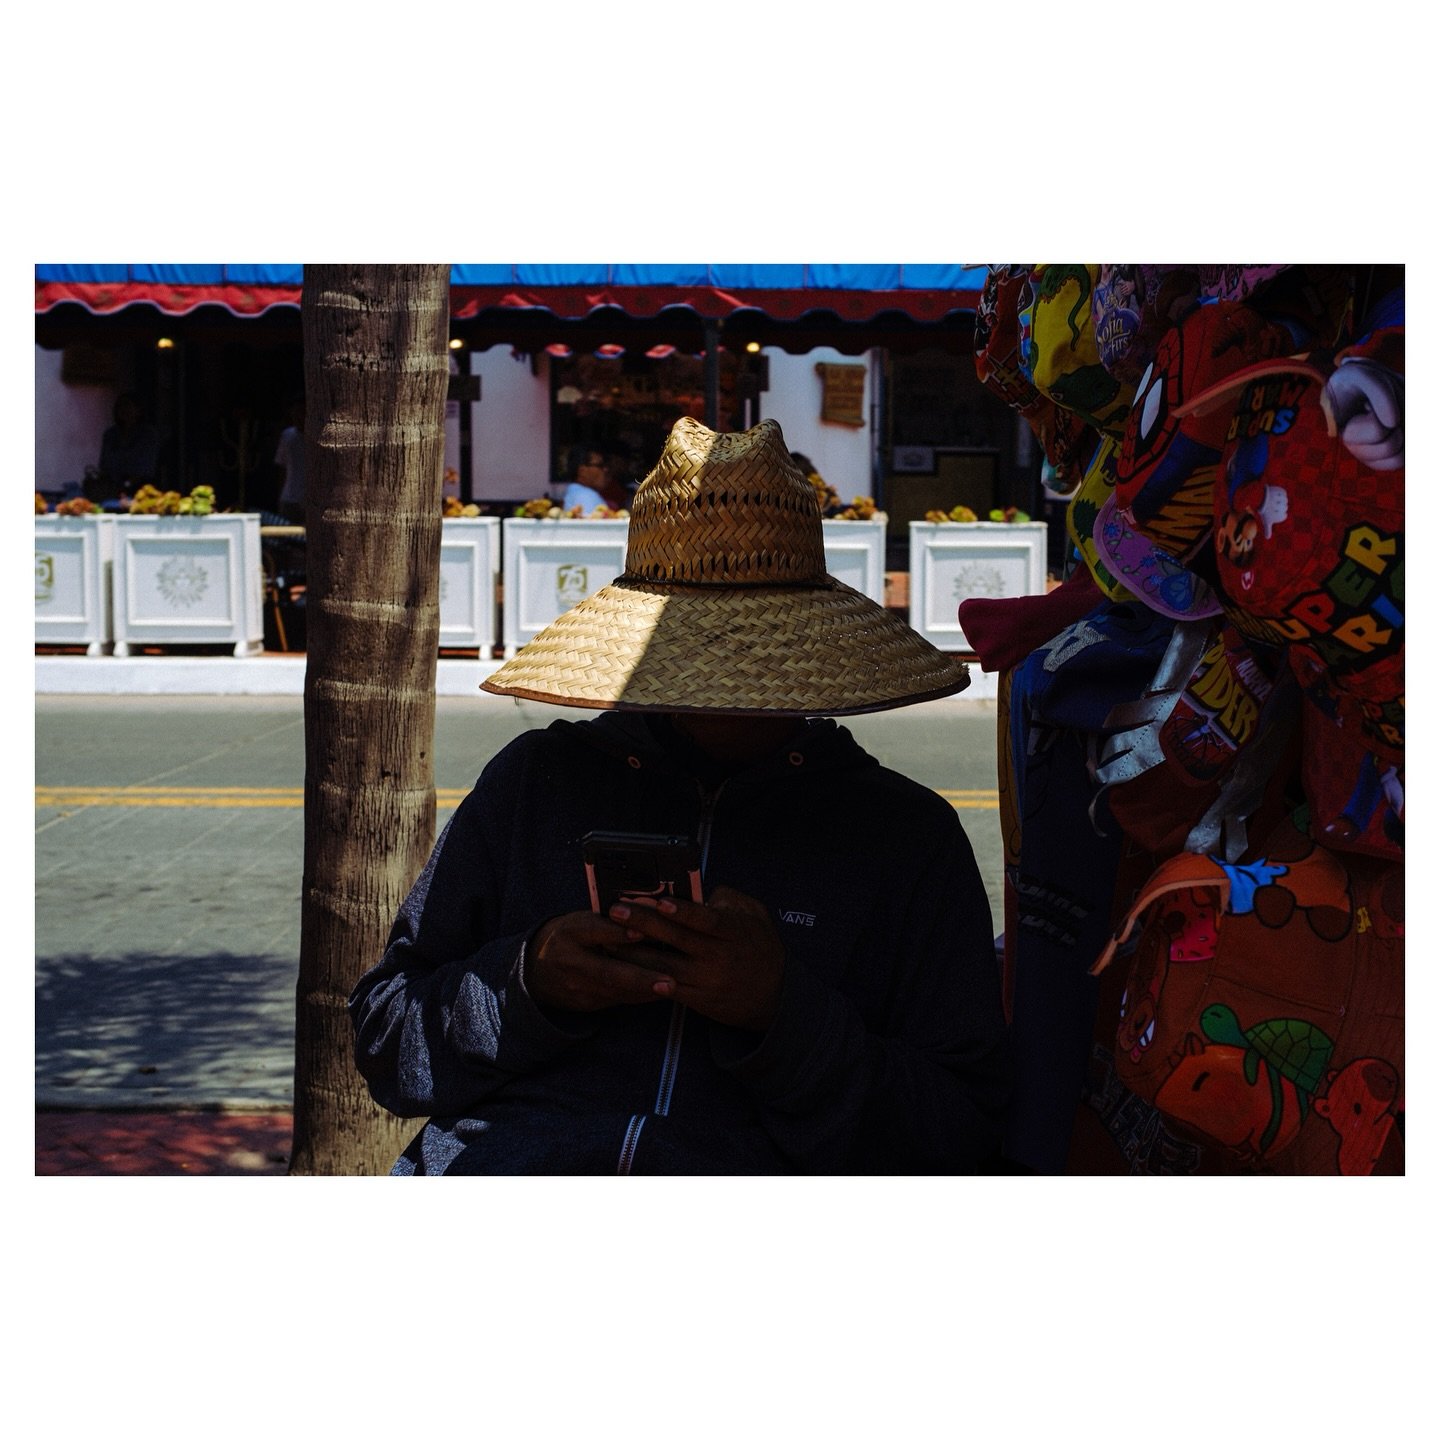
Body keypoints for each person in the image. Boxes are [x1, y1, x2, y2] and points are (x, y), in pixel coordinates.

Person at [349, 417, 1011, 1175]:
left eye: (752, 655)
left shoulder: (903, 835)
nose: (729, 689)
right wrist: (528, 981)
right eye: (707, 653)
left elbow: (963, 1132)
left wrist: (782, 1014)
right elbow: (387, 1040)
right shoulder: (534, 783)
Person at [88, 393, 160, 503]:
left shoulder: (148, 434)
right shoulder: (111, 434)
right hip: (112, 491)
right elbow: (104, 464)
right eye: (120, 407)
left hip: (141, 490)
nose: (124, 410)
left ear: (138, 410)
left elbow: (146, 467)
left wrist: (127, 484)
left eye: (128, 406)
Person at [274, 400, 306, 523]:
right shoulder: (287, 436)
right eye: (295, 414)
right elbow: (281, 467)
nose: (298, 417)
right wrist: (280, 496)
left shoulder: (316, 436)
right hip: (289, 498)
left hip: (309, 499)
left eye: (301, 413)